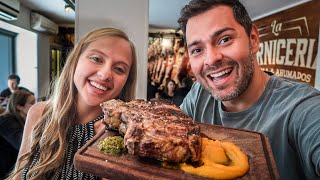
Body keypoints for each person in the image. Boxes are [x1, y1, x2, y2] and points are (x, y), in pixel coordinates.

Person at [178, 0, 320, 179]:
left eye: (225, 39)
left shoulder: (303, 108)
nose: (211, 59)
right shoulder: (199, 94)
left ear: (253, 39)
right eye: (197, 50)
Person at [7, 27, 137, 179]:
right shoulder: (39, 113)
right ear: (75, 60)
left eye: (119, 69)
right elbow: (17, 175)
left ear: (126, 82)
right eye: (96, 59)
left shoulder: (125, 135)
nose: (105, 74)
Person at [0, 90, 35, 179]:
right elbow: (24, 145)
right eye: (32, 103)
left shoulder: (21, 120)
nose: (35, 105)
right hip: (6, 173)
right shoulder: (6, 121)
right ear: (19, 106)